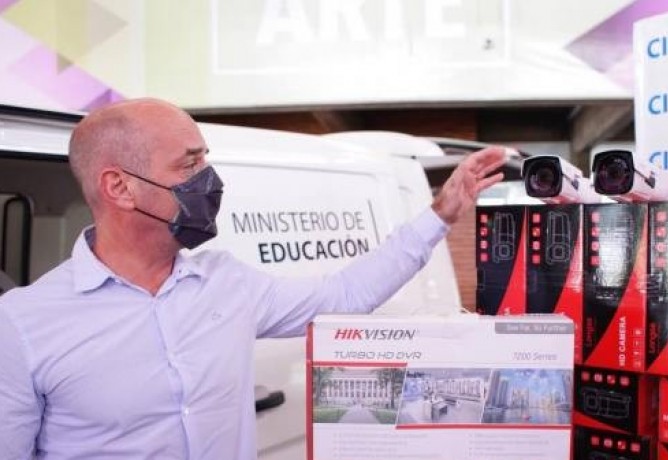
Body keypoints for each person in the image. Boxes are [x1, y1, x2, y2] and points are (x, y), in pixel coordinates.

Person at [0, 98, 506, 459]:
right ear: (119, 187)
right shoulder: (23, 325)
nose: (210, 181)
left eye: (206, 160)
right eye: (189, 165)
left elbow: (346, 293)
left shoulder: (227, 283)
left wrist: (440, 213)